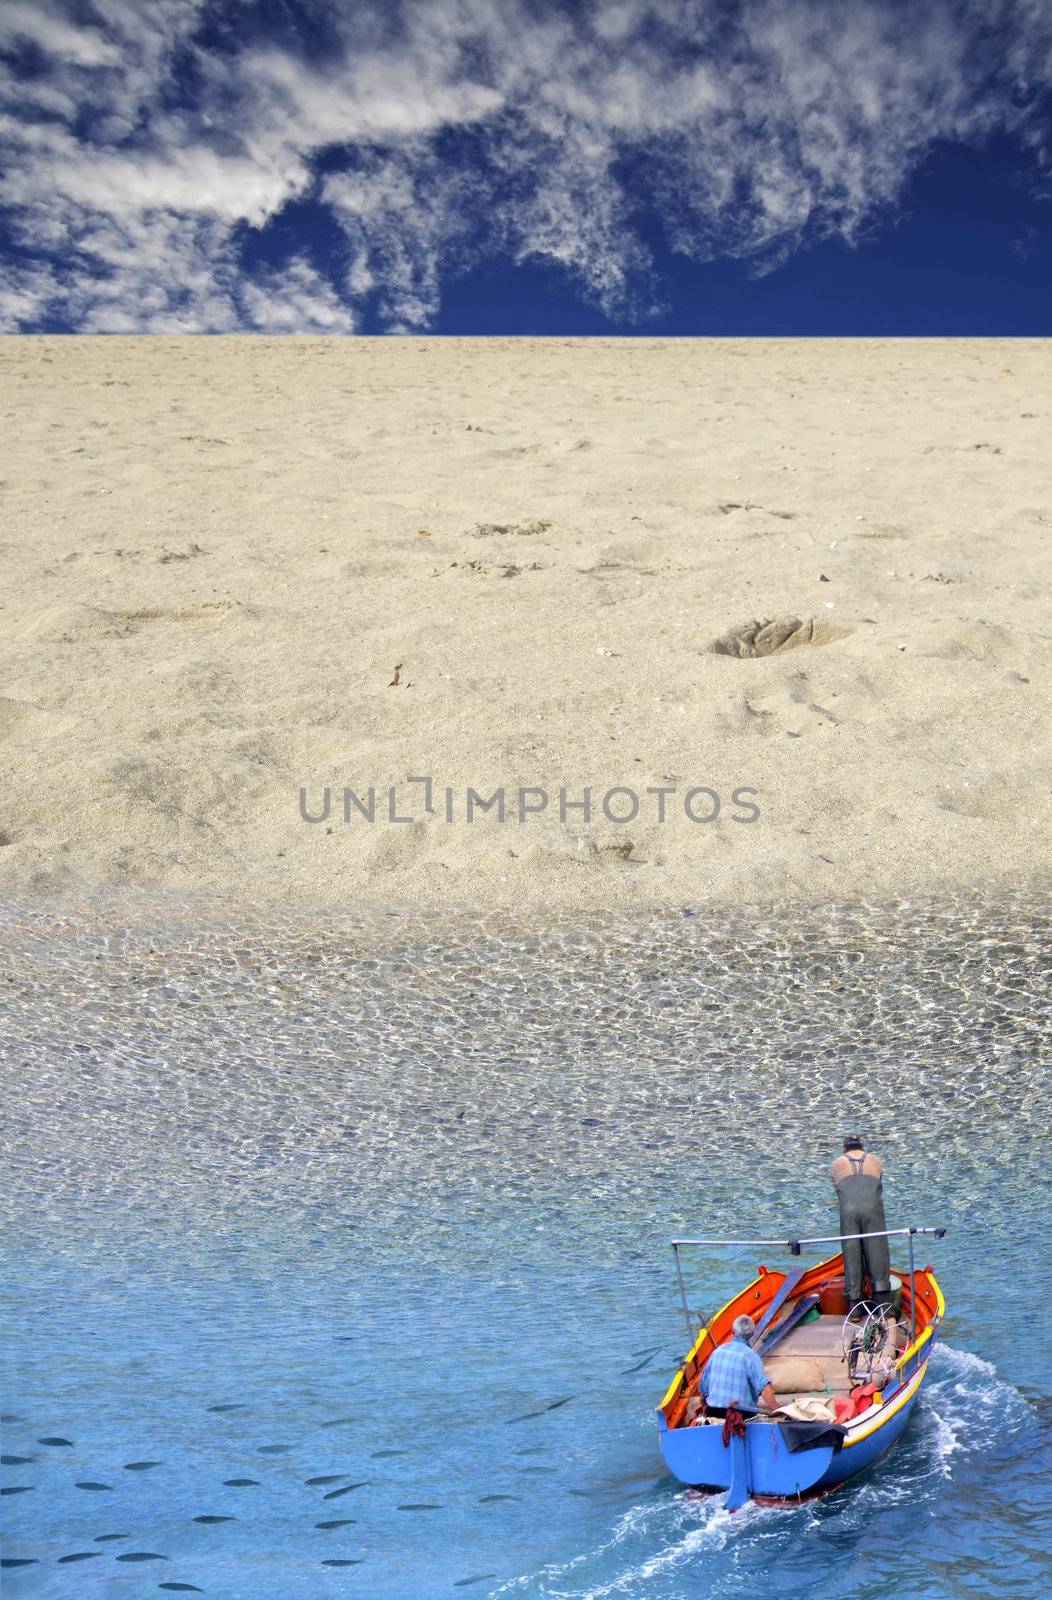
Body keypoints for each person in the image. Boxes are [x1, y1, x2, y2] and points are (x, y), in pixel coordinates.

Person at [830, 1134, 893, 1316]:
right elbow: (878, 1180)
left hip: (849, 1212)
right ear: (862, 1147)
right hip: (873, 1211)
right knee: (877, 1251)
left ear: (844, 1149)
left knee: (852, 1253)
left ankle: (855, 1307)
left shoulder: (837, 1164)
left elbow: (836, 1186)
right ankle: (883, 1306)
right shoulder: (875, 1161)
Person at [698, 1314, 778, 1415]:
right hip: (741, 1415)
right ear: (752, 1334)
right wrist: (776, 1411)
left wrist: (702, 1405)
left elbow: (704, 1387)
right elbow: (763, 1386)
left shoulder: (717, 1351)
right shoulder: (751, 1356)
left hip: (713, 1411)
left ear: (733, 1331)